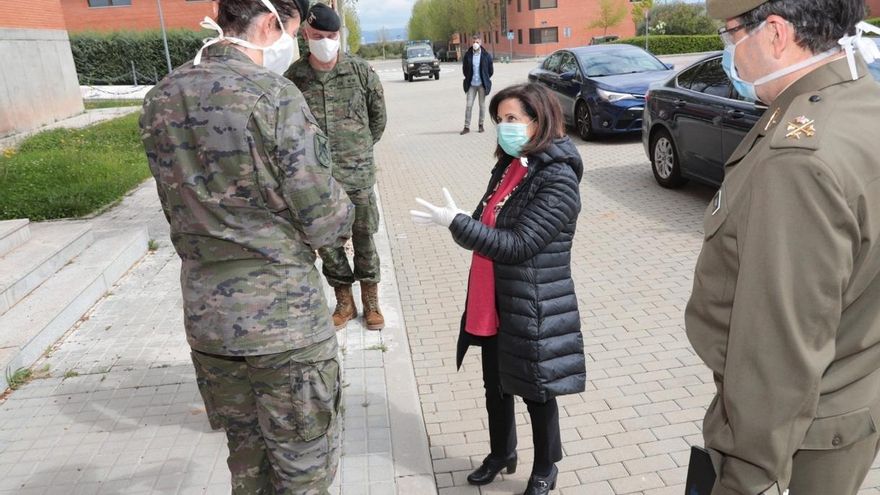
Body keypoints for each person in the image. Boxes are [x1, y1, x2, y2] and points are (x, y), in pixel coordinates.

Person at [139, 0, 355, 492]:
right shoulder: (273, 96)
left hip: (209, 321)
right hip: (284, 323)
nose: (295, 42)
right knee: (304, 469)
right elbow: (324, 219)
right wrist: (344, 219)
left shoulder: (161, 96)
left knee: (247, 461)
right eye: (293, 30)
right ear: (269, 23)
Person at [686, 1, 880, 494]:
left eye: (730, 35)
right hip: (853, 394)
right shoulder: (860, 101)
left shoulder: (796, 160)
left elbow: (778, 351)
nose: (728, 50)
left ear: (774, 33)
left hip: (802, 436)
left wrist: (744, 475)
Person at [410, 83, 585, 495]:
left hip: (532, 301)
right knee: (496, 384)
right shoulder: (512, 165)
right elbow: (482, 225)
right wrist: (458, 221)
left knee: (535, 391)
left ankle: (546, 467)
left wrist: (457, 223)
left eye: (511, 119)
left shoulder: (558, 179)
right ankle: (501, 453)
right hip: (492, 296)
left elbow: (519, 244)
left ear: (539, 120)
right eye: (498, 120)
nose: (502, 128)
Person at [286, 3, 388, 331]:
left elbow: (378, 120)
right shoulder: (294, 78)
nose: (326, 41)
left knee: (365, 237)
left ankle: (372, 301)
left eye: (331, 35)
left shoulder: (361, 72)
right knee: (327, 243)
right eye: (318, 36)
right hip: (316, 180)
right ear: (305, 35)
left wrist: (356, 150)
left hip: (357, 174)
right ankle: (344, 301)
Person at [460, 34, 494, 135]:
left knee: (482, 105)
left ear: (481, 43)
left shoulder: (486, 55)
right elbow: (465, 69)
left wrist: (485, 78)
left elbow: (490, 71)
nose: (475, 44)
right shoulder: (468, 55)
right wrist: (469, 78)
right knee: (469, 105)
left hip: (481, 84)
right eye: (474, 42)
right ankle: (466, 127)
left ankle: (481, 125)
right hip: (471, 84)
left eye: (477, 42)